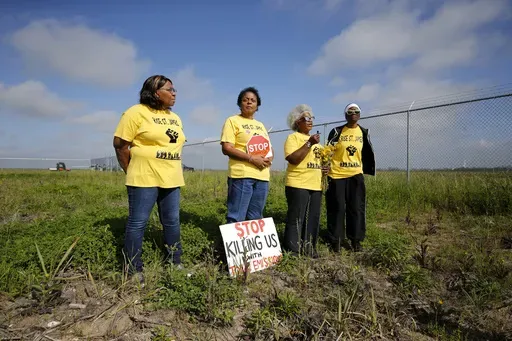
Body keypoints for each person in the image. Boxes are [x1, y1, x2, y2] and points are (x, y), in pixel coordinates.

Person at [113, 75, 186, 280]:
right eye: (170, 89)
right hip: (143, 177)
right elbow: (120, 145)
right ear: (156, 93)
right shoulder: (136, 112)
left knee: (172, 222)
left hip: (171, 177)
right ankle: (133, 269)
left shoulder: (175, 117)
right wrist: (132, 169)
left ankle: (175, 262)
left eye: (174, 89)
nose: (174, 93)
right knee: (138, 223)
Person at [325, 103, 375, 252]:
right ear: (345, 115)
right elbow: (328, 151)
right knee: (337, 208)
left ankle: (356, 240)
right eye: (350, 111)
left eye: (356, 111)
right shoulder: (337, 131)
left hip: (355, 176)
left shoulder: (364, 132)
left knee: (356, 209)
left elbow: (366, 151)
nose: (353, 113)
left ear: (359, 115)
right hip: (337, 175)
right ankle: (336, 241)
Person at [220, 87, 273, 223]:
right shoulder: (232, 121)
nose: (249, 102)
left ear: (257, 105)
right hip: (242, 175)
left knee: (255, 217)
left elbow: (268, 148)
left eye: (253, 100)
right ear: (240, 103)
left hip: (262, 176)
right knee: (236, 216)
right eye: (245, 100)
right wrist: (251, 158)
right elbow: (227, 148)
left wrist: (269, 158)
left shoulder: (260, 125)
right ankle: (227, 244)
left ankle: (250, 245)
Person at [283, 104, 328, 258]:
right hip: (298, 184)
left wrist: (324, 169)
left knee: (312, 218)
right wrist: (309, 143)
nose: (310, 121)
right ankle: (293, 250)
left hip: (315, 186)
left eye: (311, 118)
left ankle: (309, 247)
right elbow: (293, 159)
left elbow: (318, 163)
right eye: (306, 118)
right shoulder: (293, 138)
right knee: (296, 217)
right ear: (297, 122)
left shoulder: (319, 145)